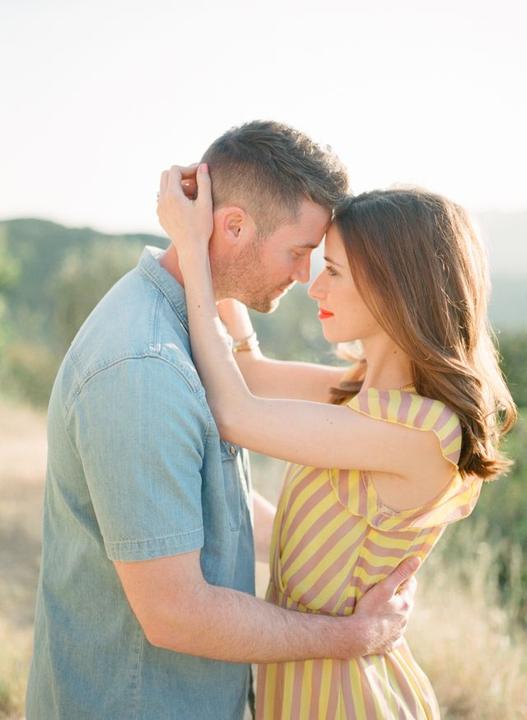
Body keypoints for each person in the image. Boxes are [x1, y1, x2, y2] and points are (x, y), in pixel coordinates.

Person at [26, 121, 419, 720]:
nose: (304, 276)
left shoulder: (183, 328)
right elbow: (175, 613)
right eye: (298, 252)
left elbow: (213, 508)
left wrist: (348, 556)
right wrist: (353, 637)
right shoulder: (143, 370)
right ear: (233, 227)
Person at [157, 163, 517, 719]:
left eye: (333, 271)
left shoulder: (422, 431)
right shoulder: (356, 394)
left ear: (395, 288)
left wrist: (192, 255)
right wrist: (217, 242)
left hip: (350, 700)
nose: (314, 287)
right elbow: (247, 373)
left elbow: (234, 411)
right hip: (306, 683)